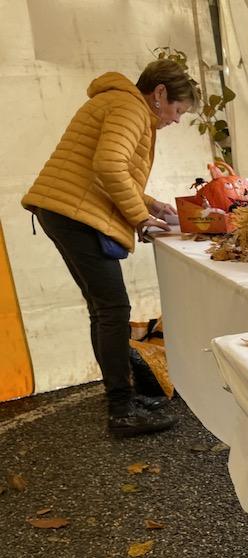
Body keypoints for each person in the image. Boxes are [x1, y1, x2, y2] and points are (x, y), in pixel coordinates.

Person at [23, 60, 196, 437]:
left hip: (63, 210)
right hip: (74, 215)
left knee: (103, 311)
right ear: (160, 93)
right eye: (177, 110)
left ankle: (123, 397)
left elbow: (106, 169)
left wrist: (150, 204)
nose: (177, 120)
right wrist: (141, 218)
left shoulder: (121, 103)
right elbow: (108, 164)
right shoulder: (129, 106)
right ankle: (121, 410)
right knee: (113, 309)